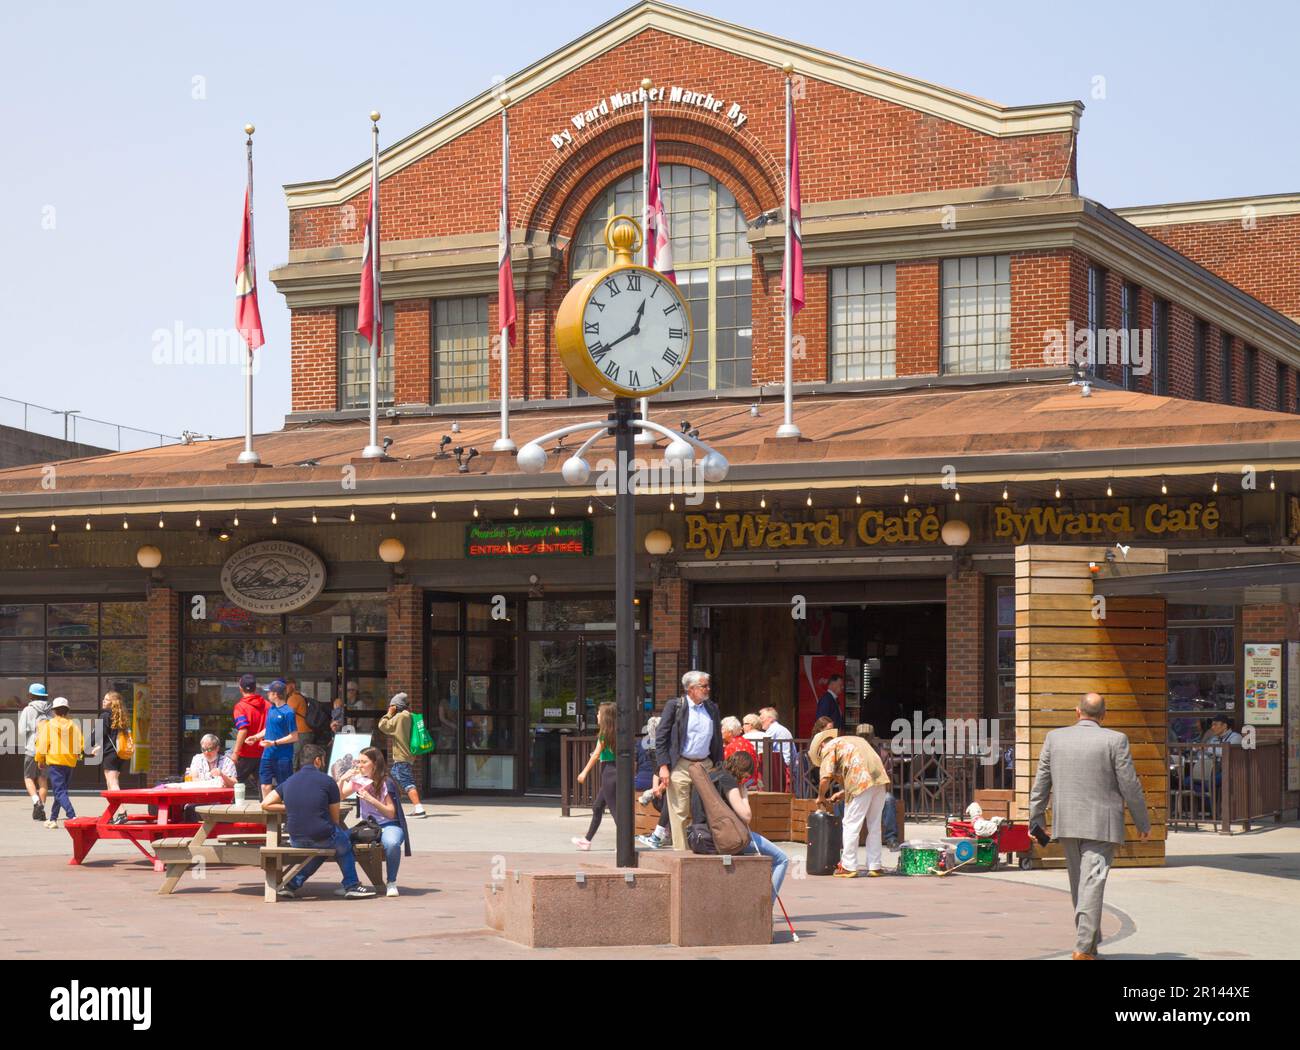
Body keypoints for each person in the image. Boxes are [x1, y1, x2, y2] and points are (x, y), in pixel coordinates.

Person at [1028, 692, 1151, 960]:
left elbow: (1040, 784)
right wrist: (1142, 821)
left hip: (1067, 822)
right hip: (1102, 825)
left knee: (1080, 885)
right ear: (1103, 715)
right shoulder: (1115, 740)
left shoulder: (1055, 738)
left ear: (1077, 712)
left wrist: (1036, 820)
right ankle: (1083, 949)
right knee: (1092, 883)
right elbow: (1130, 784)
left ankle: (1090, 945)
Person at [263, 743, 376, 899]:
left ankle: (291, 885)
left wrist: (292, 807)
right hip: (323, 835)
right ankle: (352, 885)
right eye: (323, 760)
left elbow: (266, 803)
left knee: (324, 848)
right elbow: (335, 819)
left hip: (296, 839)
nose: (323, 763)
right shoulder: (328, 782)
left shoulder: (289, 781)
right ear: (317, 761)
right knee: (341, 840)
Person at [690, 750, 788, 905]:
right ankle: (766, 909)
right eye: (747, 776)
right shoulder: (728, 780)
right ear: (743, 771)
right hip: (725, 838)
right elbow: (746, 816)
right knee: (781, 859)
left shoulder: (709, 777)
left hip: (702, 838)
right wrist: (744, 794)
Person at [655, 671, 723, 852]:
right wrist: (663, 767)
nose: (708, 689)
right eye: (704, 686)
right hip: (681, 764)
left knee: (708, 808)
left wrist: (719, 765)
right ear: (691, 689)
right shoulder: (675, 706)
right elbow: (661, 737)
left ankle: (705, 847)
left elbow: (717, 738)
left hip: (706, 764)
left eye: (708, 685)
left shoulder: (712, 708)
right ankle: (683, 854)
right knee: (679, 812)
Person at [810, 727, 891, 878]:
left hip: (860, 783)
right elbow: (862, 769)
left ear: (821, 746)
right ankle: (875, 865)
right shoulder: (854, 740)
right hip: (879, 781)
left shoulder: (829, 747)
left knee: (851, 824)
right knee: (874, 825)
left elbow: (825, 779)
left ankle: (848, 865)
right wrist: (843, 793)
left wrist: (821, 796)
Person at [337, 745, 410, 897]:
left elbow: (391, 813)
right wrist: (342, 779)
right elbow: (338, 797)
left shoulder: (386, 782)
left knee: (392, 843)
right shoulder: (359, 780)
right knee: (339, 841)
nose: (359, 765)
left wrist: (371, 800)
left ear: (375, 764)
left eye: (364, 762)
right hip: (368, 826)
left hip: (389, 825)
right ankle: (351, 884)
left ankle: (391, 882)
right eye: (358, 762)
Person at [572, 701, 617, 851]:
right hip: (613, 771)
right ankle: (586, 840)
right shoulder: (615, 732)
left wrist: (584, 772)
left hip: (608, 773)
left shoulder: (604, 734)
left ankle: (625, 843)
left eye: (599, 713)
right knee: (598, 807)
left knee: (615, 810)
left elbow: (597, 753)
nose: (597, 715)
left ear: (605, 717)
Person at [34, 697, 84, 829]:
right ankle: (53, 818)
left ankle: (72, 815)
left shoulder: (49, 725)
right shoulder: (73, 725)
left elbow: (43, 744)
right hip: (69, 762)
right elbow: (80, 743)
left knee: (59, 791)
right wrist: (78, 755)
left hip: (55, 762)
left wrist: (40, 759)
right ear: (67, 711)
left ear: (54, 711)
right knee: (60, 791)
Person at [376, 692, 428, 818]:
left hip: (402, 755)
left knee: (407, 782)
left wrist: (389, 713)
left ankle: (419, 808)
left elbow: (382, 725)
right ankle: (393, 800)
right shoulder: (410, 716)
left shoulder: (400, 717)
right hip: (408, 755)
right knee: (394, 774)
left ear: (396, 706)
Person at [247, 679, 297, 797]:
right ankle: (266, 809)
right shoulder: (271, 709)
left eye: (269, 692)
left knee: (284, 786)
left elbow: (294, 736)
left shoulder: (288, 712)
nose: (267, 694)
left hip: (283, 757)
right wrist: (255, 737)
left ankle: (284, 812)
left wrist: (274, 743)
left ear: (275, 694)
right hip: (267, 755)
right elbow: (268, 729)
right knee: (264, 785)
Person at [858, 723, 900, 849]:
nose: (865, 739)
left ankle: (891, 838)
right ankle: (840, 837)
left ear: (872, 737)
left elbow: (887, 780)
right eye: (862, 736)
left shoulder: (882, 754)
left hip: (876, 790)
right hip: (857, 790)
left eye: (867, 736)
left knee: (888, 799)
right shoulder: (852, 752)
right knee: (842, 800)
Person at [635, 716, 673, 850]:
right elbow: (657, 770)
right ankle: (666, 834)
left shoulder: (669, 746)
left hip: (672, 783)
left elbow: (671, 772)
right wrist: (655, 788)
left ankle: (659, 835)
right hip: (663, 782)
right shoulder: (654, 746)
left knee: (667, 801)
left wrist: (660, 788)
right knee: (657, 800)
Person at [18, 684, 51, 822]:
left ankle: (36, 801)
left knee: (28, 777)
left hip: (32, 749)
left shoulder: (28, 710)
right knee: (43, 779)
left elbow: (21, 731)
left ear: (31, 695)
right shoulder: (50, 710)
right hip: (47, 751)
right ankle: (41, 808)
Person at [231, 674, 268, 795]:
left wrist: (235, 753)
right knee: (263, 785)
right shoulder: (267, 705)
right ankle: (267, 811)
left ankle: (227, 811)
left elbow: (243, 730)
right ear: (255, 688)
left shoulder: (240, 707)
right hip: (264, 751)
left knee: (234, 782)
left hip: (246, 753)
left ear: (240, 688)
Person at [89, 691, 130, 791]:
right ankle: (116, 806)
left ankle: (120, 807)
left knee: (112, 782)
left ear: (113, 702)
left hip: (110, 753)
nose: (103, 701)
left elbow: (98, 733)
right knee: (110, 781)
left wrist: (87, 744)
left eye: (106, 700)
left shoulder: (105, 715)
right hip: (120, 752)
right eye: (104, 699)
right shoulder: (122, 717)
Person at [759, 706, 795, 789]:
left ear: (770, 719)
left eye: (762, 718)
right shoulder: (778, 728)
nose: (760, 721)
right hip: (784, 766)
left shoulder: (773, 729)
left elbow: (763, 747)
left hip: (783, 768)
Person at [721, 716, 760, 789]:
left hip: (740, 784)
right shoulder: (746, 742)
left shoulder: (731, 746)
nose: (721, 731)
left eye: (722, 729)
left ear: (730, 732)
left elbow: (726, 769)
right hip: (752, 781)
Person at [283, 678, 309, 767]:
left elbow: (287, 715)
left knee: (294, 756)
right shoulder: (299, 696)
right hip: (304, 731)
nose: (284, 688)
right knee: (302, 757)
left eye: (286, 685)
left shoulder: (294, 698)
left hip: (300, 732)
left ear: (293, 685)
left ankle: (293, 777)